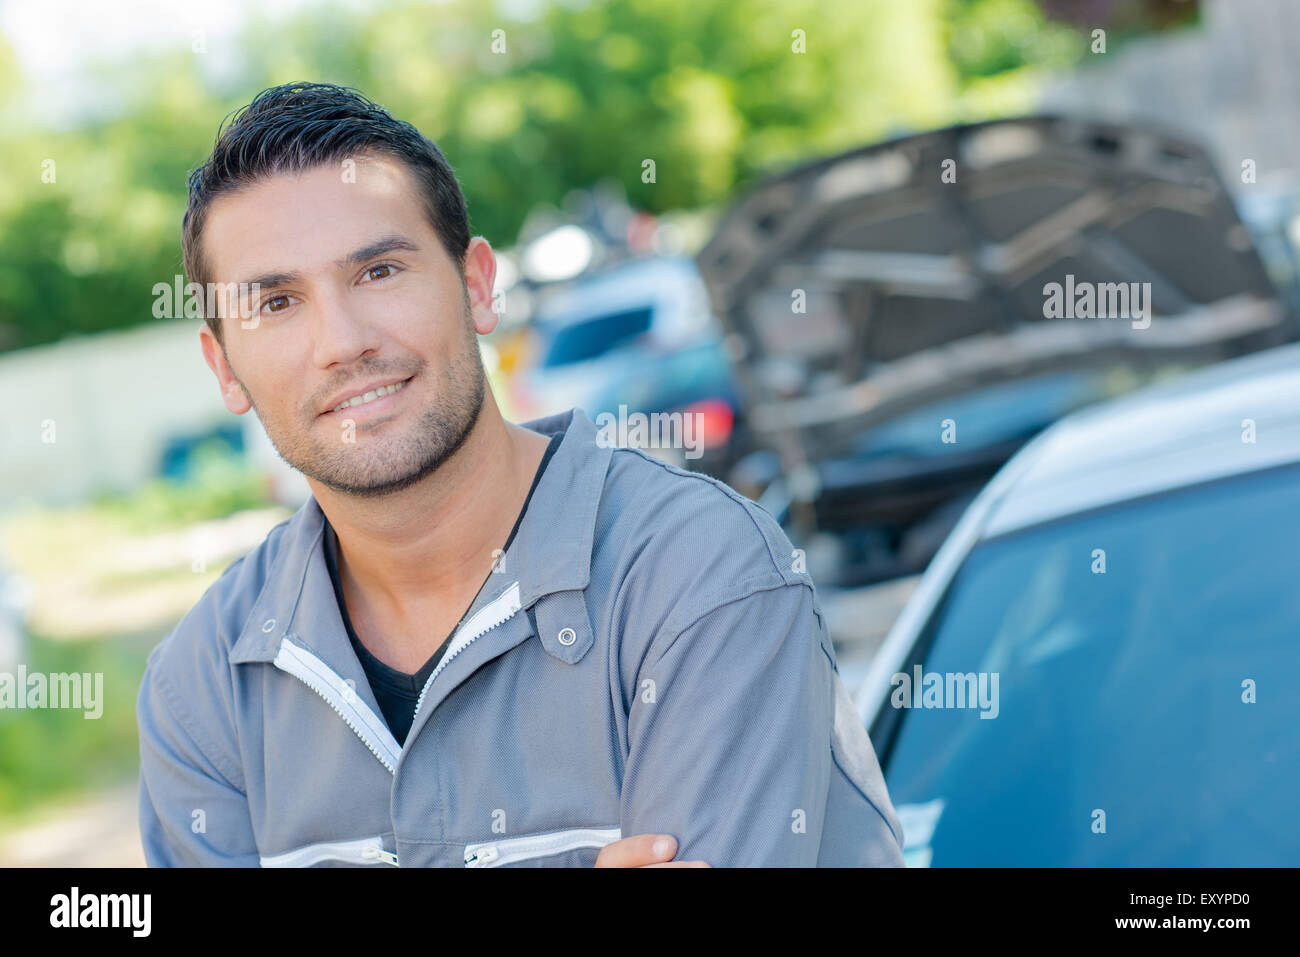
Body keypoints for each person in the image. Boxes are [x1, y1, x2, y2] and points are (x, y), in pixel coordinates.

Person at [136, 81, 904, 867]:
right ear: (223, 366)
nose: (342, 341)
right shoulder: (203, 687)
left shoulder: (699, 575)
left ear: (476, 285)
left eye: (379, 272)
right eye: (276, 302)